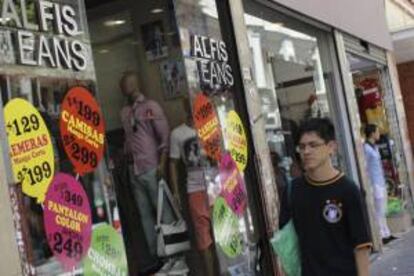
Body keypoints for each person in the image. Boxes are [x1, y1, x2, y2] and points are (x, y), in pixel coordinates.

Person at [280, 118, 371, 276]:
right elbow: (287, 246)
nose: (306, 151)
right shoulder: (292, 190)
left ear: (331, 147)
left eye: (313, 145)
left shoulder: (348, 190)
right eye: (301, 147)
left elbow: (361, 246)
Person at [119, 71, 188, 275]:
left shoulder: (150, 107)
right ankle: (161, 258)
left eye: (129, 82)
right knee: (145, 217)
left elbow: (164, 137)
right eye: (124, 84)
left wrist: (162, 165)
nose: (126, 86)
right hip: (134, 170)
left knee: (163, 213)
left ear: (136, 82)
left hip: (151, 167)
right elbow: (128, 139)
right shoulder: (124, 113)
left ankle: (176, 256)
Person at [169, 99, 217, 276]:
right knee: (203, 241)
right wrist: (175, 191)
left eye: (195, 102)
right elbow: (173, 163)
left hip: (215, 186)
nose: (191, 105)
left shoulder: (210, 126)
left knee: (222, 233)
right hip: (194, 189)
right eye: (188, 102)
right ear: (183, 105)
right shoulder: (178, 134)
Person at [364, 124, 397, 244]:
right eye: (377, 132)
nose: (379, 134)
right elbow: (365, 167)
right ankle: (381, 235)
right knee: (378, 210)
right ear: (372, 133)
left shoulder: (375, 147)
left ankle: (387, 232)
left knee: (383, 209)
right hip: (374, 183)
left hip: (381, 181)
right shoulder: (366, 148)